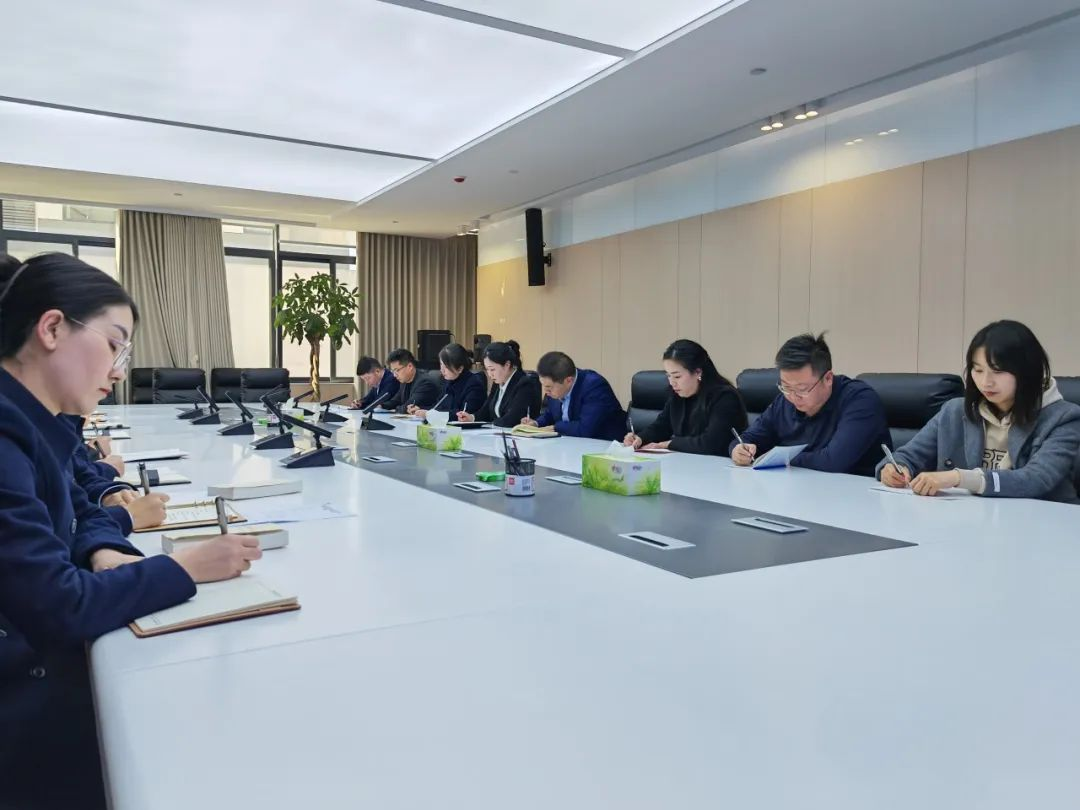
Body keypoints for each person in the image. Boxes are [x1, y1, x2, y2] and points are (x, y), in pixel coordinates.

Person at [0, 253, 263, 810]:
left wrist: (102, 548)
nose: (119, 371)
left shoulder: (36, 425)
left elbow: (80, 509)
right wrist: (185, 566)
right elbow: (59, 607)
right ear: (51, 328)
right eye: (115, 345)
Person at [879, 320, 1080, 501]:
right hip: (968, 520)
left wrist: (959, 478)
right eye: (978, 370)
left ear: (1027, 371)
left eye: (998, 371)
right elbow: (908, 456)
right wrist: (894, 469)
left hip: (1040, 522)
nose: (986, 382)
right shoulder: (954, 411)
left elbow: (1036, 479)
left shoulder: (1063, 418)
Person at [729, 333, 891, 476]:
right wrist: (738, 450)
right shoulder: (785, 400)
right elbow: (747, 438)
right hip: (798, 487)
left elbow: (833, 461)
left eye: (802, 389)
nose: (793, 397)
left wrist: (774, 458)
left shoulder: (860, 401)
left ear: (828, 378)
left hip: (854, 492)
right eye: (785, 386)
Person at [624, 339, 746, 455]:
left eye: (677, 376)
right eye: (668, 376)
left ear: (698, 372)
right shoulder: (678, 394)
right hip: (686, 461)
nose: (672, 383)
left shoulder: (725, 397)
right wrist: (640, 438)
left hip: (718, 464)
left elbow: (711, 443)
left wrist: (669, 444)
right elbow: (662, 426)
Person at [521, 351, 626, 440]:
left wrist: (555, 427)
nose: (546, 391)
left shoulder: (594, 386)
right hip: (569, 444)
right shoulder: (556, 387)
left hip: (603, 446)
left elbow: (585, 430)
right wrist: (536, 423)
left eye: (549, 387)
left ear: (569, 380)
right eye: (543, 385)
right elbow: (550, 414)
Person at [456, 340, 541, 428]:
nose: (490, 374)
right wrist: (471, 417)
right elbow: (487, 410)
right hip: (497, 432)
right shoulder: (498, 382)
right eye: (487, 369)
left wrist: (491, 424)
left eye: (492, 369)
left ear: (507, 365)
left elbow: (512, 418)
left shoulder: (524, 384)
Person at [411, 343, 486, 420]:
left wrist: (429, 414)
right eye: (441, 365)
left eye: (446, 367)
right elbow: (439, 407)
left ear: (460, 369)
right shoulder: (448, 381)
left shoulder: (474, 385)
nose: (442, 370)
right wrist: (421, 409)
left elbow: (463, 414)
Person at [381, 348, 440, 414]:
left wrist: (395, 409)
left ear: (410, 366)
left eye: (397, 370)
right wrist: (382, 406)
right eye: (393, 371)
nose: (394, 375)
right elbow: (396, 400)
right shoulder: (405, 380)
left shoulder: (425, 383)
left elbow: (407, 408)